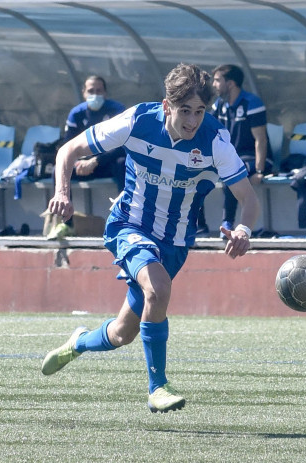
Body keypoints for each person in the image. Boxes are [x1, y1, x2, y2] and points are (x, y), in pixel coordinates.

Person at [41, 63, 260, 413]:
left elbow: (248, 198)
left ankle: (79, 342)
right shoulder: (137, 121)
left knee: (122, 334)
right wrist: (63, 193)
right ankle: (157, 387)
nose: (192, 121)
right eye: (185, 110)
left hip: (174, 244)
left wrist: (242, 230)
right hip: (129, 226)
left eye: (200, 111)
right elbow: (68, 152)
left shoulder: (216, 141)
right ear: (166, 106)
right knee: (157, 288)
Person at [47, 75, 127, 240]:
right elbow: (67, 145)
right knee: (58, 170)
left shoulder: (117, 110)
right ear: (84, 93)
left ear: (105, 93)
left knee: (123, 163)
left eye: (99, 91)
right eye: (91, 91)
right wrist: (78, 162)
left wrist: (95, 161)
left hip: (106, 163)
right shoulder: (76, 113)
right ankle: (66, 224)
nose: (95, 94)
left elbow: (123, 145)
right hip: (82, 164)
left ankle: (125, 220)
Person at [197, 64, 272, 237]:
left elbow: (261, 139)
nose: (214, 85)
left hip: (254, 158)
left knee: (232, 169)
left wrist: (260, 171)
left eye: (217, 80)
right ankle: (200, 226)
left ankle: (227, 222)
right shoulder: (219, 105)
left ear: (230, 83)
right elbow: (207, 131)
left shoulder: (251, 103)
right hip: (229, 157)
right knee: (196, 173)